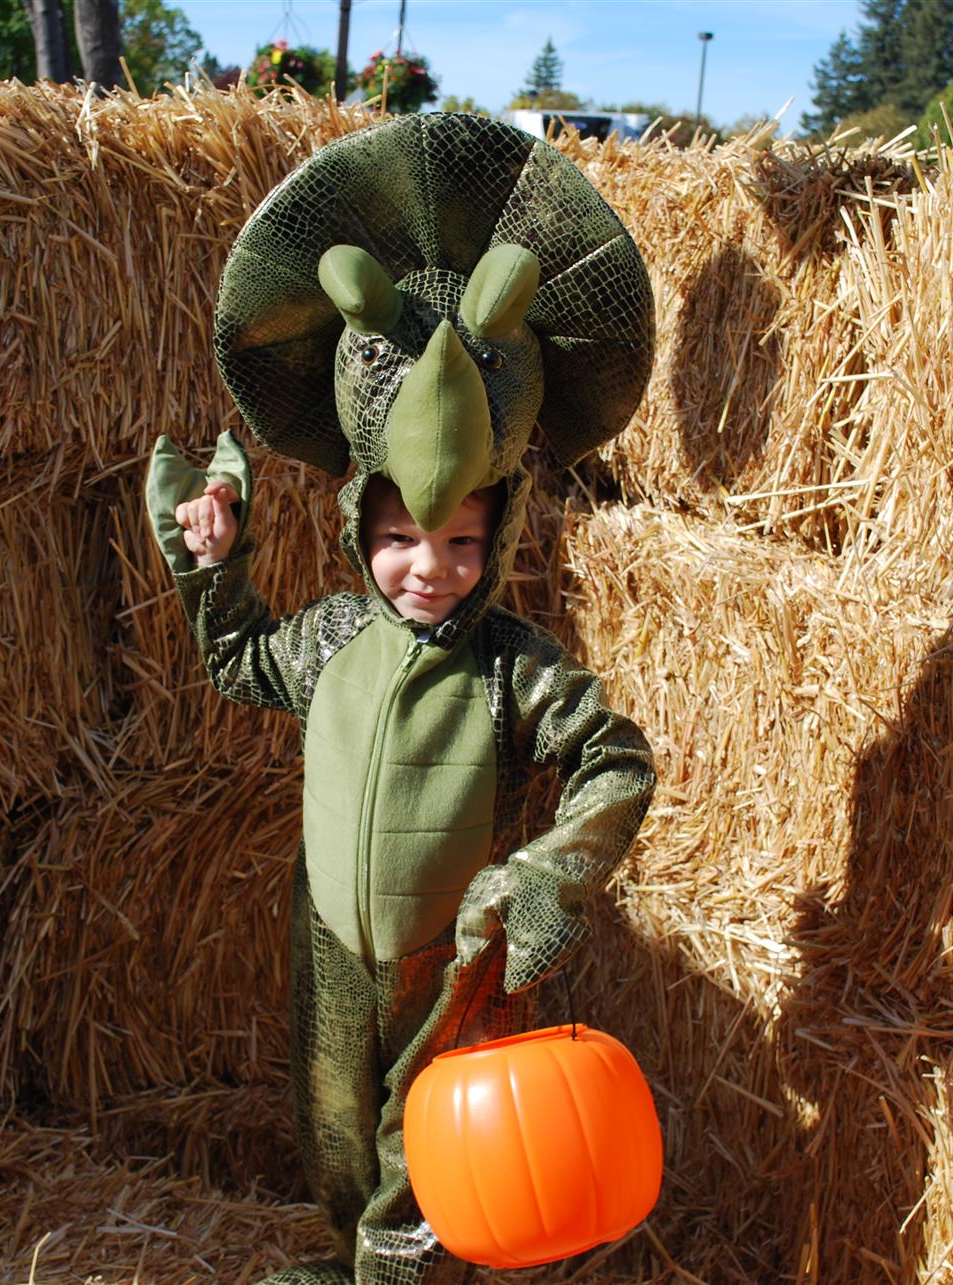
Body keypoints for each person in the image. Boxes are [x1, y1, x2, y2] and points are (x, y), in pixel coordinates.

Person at [145, 429, 654, 1285]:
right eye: (401, 540)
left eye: (462, 542)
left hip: (449, 976)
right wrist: (218, 561)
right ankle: (355, 1268)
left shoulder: (513, 665)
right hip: (334, 957)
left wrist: (545, 875)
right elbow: (237, 659)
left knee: (425, 1170)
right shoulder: (329, 638)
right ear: (360, 534)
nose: (431, 567)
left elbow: (617, 760)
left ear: (493, 547)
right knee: (339, 1151)